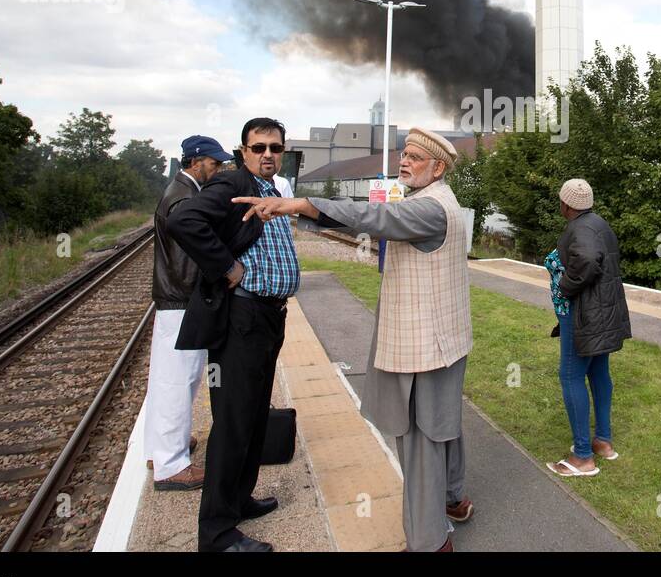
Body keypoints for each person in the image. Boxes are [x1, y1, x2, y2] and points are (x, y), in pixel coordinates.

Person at [232, 127, 472, 552]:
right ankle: (454, 500)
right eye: (404, 153)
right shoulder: (437, 201)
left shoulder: (430, 209)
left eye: (415, 157)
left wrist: (302, 204)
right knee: (442, 427)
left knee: (419, 439)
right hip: (445, 341)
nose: (404, 161)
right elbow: (375, 216)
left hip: (422, 348)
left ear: (437, 168)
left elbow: (375, 218)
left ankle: (430, 542)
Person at [167, 117, 300, 552]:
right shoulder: (231, 185)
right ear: (243, 151)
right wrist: (225, 266)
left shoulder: (273, 190)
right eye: (258, 147)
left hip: (267, 318)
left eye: (274, 148)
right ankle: (218, 534)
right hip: (241, 317)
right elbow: (183, 219)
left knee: (254, 416)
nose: (267, 154)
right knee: (232, 423)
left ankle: (240, 500)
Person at [146, 135, 233, 491]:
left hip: (173, 301)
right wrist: (224, 270)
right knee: (178, 382)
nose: (218, 168)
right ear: (196, 162)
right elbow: (190, 252)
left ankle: (159, 448)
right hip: (182, 301)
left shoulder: (178, 190)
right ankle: (171, 466)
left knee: (166, 378)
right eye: (214, 163)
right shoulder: (184, 197)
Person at [545, 179, 630, 478]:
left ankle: (582, 457)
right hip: (605, 312)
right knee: (598, 372)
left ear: (567, 204)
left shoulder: (578, 228)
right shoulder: (599, 224)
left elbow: (589, 260)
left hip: (584, 314)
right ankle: (603, 442)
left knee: (570, 375)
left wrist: (565, 288)